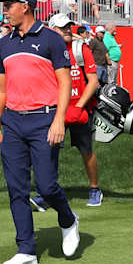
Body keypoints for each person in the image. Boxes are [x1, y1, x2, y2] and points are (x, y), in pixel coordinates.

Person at [0, 0, 80, 264]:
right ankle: (26, 249)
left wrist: (59, 120)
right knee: (16, 189)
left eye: (8, 5)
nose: (4, 10)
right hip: (13, 123)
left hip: (45, 119)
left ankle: (68, 219)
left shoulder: (51, 40)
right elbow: (0, 90)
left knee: (46, 185)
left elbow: (65, 83)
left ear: (25, 6)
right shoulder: (4, 44)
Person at [47, 13, 103, 207]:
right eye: (63, 28)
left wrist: (79, 107)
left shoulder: (80, 49)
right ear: (52, 30)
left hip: (80, 110)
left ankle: (95, 189)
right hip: (56, 110)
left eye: (69, 27)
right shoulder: (46, 50)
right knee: (50, 152)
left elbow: (93, 81)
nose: (68, 30)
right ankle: (49, 193)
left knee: (86, 150)